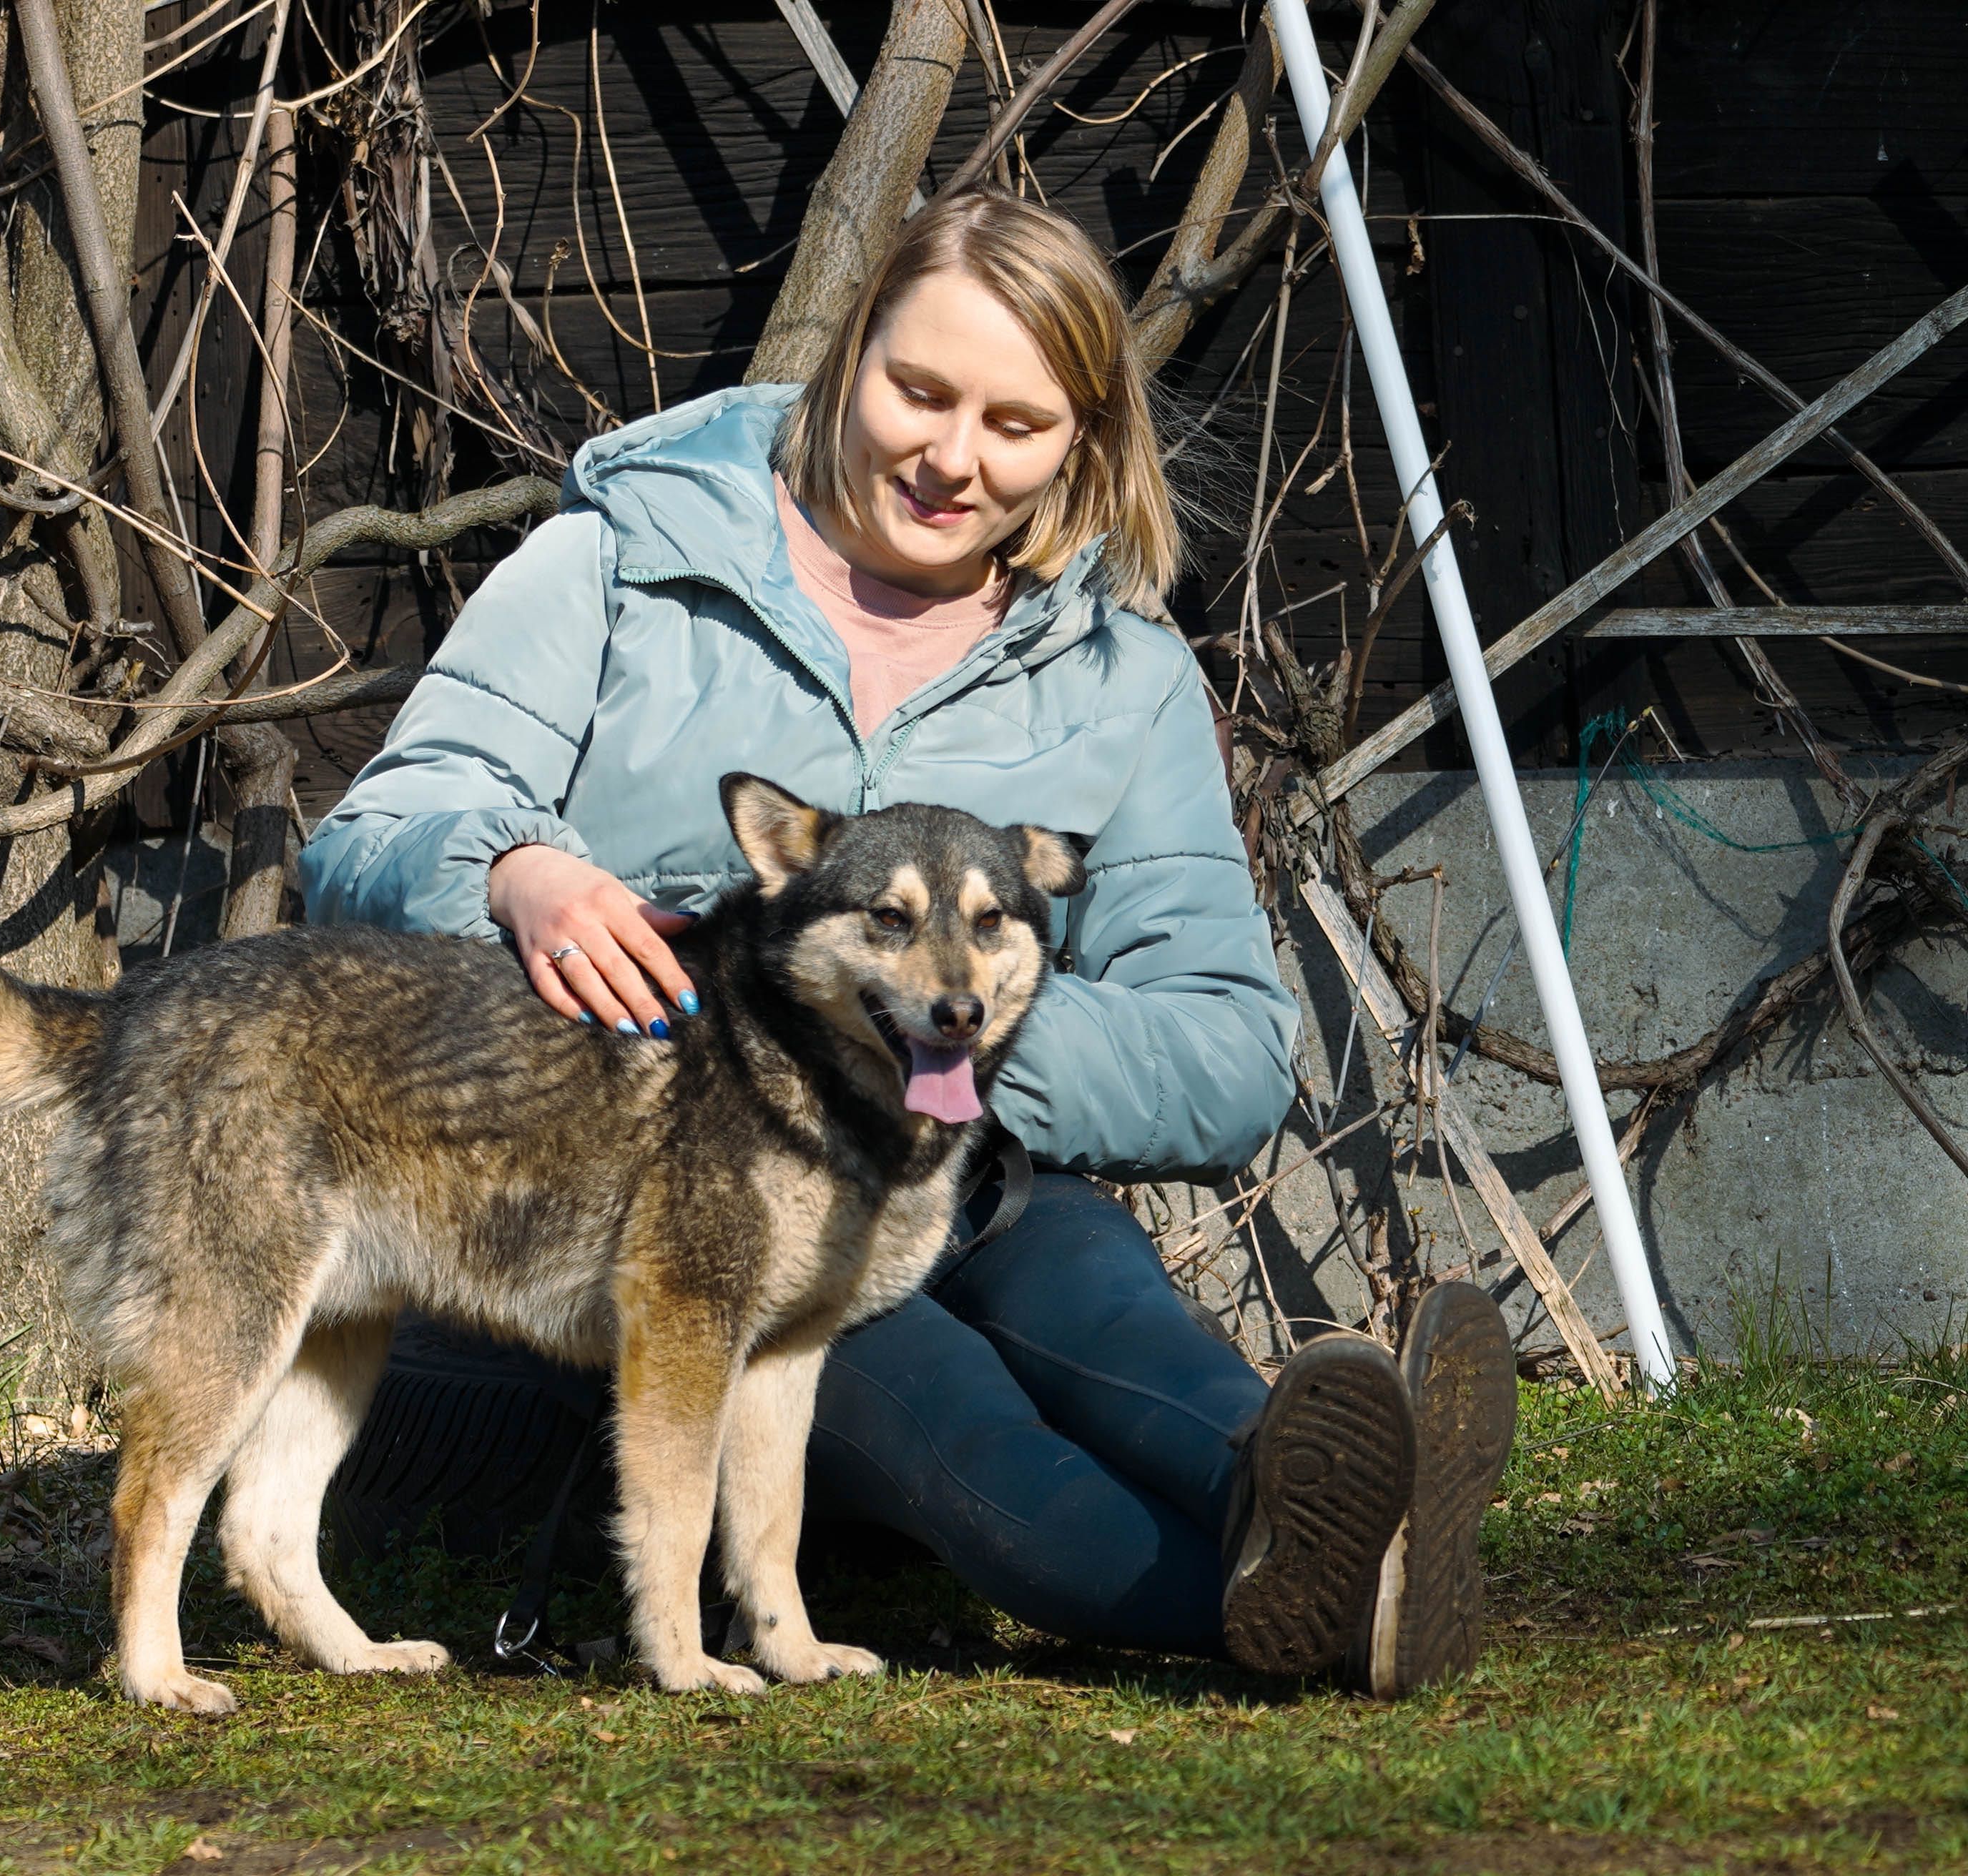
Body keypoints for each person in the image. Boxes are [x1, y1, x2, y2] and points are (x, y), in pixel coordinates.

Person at [299, 190, 1516, 1696]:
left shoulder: (1118, 674)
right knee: (970, 1444)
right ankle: (1354, 1596)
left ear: (1080, 438)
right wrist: (515, 871)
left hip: (977, 1176)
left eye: (1016, 422)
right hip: (696, 1205)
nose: (951, 458)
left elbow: (1233, 1051)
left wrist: (954, 1021)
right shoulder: (624, 556)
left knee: (1134, 1345)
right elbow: (370, 837)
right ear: (849, 354)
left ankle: (1338, 1515)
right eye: (920, 390)